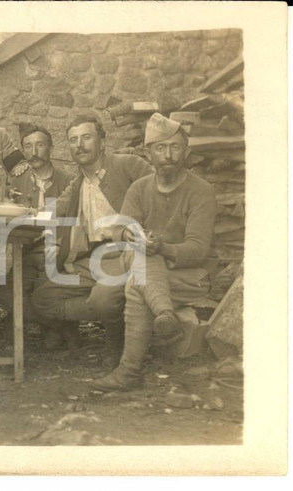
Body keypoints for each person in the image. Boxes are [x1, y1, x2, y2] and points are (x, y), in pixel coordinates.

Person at [88, 113, 217, 391]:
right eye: (160, 148)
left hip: (187, 276)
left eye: (175, 147)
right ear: (149, 153)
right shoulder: (139, 188)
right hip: (144, 268)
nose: (168, 155)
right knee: (102, 297)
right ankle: (159, 317)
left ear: (187, 151)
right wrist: (131, 234)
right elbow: (121, 229)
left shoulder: (200, 191)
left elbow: (198, 249)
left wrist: (162, 247)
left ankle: (129, 371)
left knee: (137, 284)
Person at [30, 114, 152, 366]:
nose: (79, 145)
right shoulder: (78, 183)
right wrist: (30, 220)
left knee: (104, 299)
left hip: (127, 252)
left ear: (102, 142)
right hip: (92, 258)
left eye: (86, 137)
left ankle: (116, 342)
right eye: (73, 140)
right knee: (43, 298)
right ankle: (113, 312)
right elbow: (53, 211)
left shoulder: (127, 165)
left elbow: (157, 194)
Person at [0, 124, 75, 349]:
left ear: (51, 148)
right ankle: (55, 325)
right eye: (28, 146)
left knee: (43, 291)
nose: (34, 151)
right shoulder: (16, 181)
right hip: (25, 251)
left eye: (40, 145)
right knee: (3, 294)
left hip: (57, 250)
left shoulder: (68, 181)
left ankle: (38, 322)